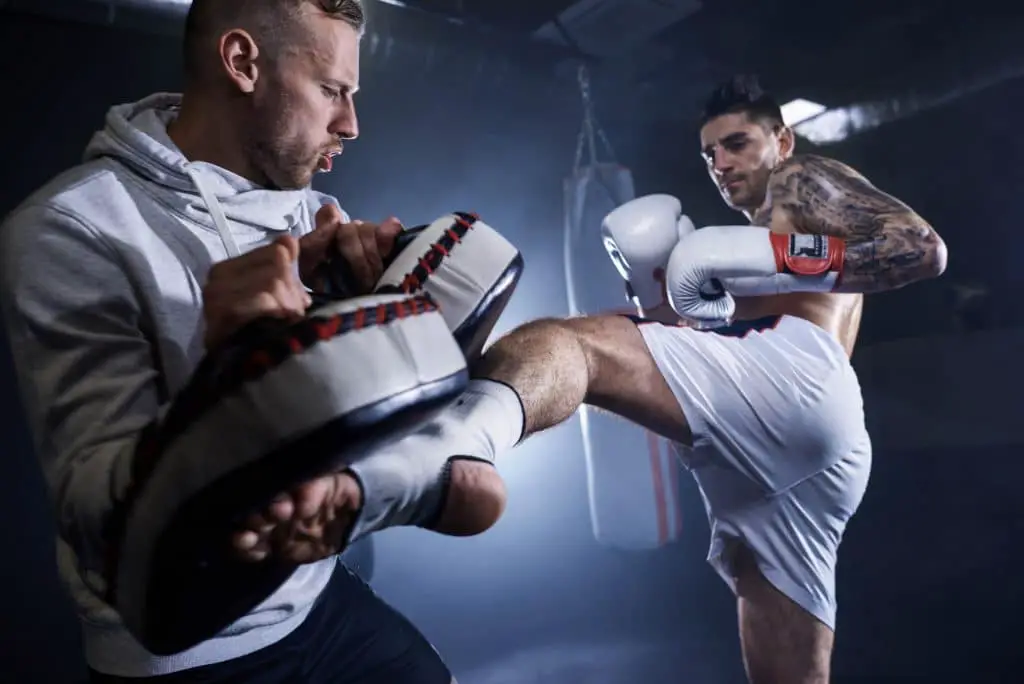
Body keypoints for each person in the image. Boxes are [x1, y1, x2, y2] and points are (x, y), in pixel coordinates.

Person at [236, 76, 948, 683]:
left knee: (568, 345)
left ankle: (426, 463)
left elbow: (920, 249)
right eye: (708, 153)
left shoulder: (802, 181)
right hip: (806, 451)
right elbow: (704, 339)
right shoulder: (743, 246)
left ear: (781, 141)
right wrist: (671, 296)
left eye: (737, 144)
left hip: (799, 379)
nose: (721, 164)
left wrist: (738, 251)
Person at [0, 0, 504, 681]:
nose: (350, 124)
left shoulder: (295, 201)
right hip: (190, 652)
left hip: (315, 598)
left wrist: (350, 309)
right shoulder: (69, 229)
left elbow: (327, 406)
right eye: (332, 91)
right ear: (243, 63)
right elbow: (102, 524)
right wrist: (232, 358)